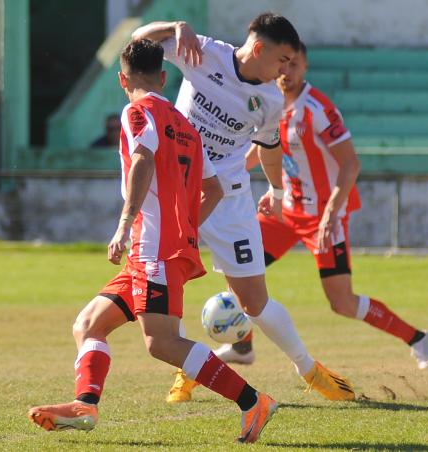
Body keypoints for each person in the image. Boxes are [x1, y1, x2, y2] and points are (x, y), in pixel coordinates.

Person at [27, 39, 277, 444]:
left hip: (152, 250)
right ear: (164, 77)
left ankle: (252, 401)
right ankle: (86, 404)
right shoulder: (187, 128)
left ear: (121, 79)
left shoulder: (135, 111)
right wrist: (186, 228)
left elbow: (142, 158)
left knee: (160, 342)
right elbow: (213, 189)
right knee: (88, 324)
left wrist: (125, 223)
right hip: (158, 250)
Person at [131, 13, 355, 403]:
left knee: (254, 301)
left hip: (229, 200)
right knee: (161, 283)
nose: (286, 70)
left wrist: (277, 190)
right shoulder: (204, 53)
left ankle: (310, 370)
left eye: (291, 63)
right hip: (176, 191)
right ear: (258, 48)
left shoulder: (269, 99)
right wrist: (175, 27)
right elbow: (138, 39)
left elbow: (270, 149)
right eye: (283, 60)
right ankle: (190, 367)